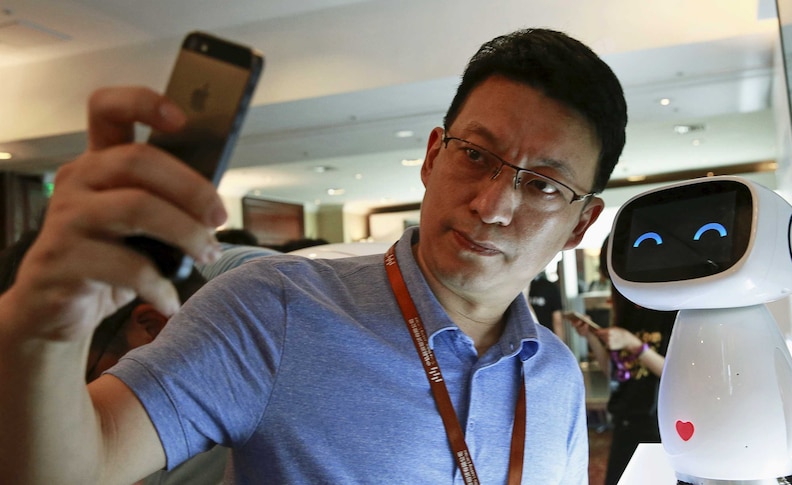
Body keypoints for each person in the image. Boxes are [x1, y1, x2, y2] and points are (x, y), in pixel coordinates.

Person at [0, 27, 627, 484]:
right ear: (434, 156)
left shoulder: (556, 376)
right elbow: (77, 464)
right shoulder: (275, 306)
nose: (492, 205)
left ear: (581, 224)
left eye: (544, 184)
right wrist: (39, 333)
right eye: (475, 155)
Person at [568, 236, 676, 485]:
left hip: (660, 425)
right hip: (626, 420)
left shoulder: (672, 309)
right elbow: (616, 373)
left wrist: (633, 344)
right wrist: (592, 339)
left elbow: (677, 376)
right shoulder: (627, 310)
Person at [528, 270, 566, 340]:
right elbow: (557, 321)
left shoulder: (519, 289)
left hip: (525, 340)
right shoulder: (551, 287)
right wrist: (560, 346)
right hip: (547, 339)